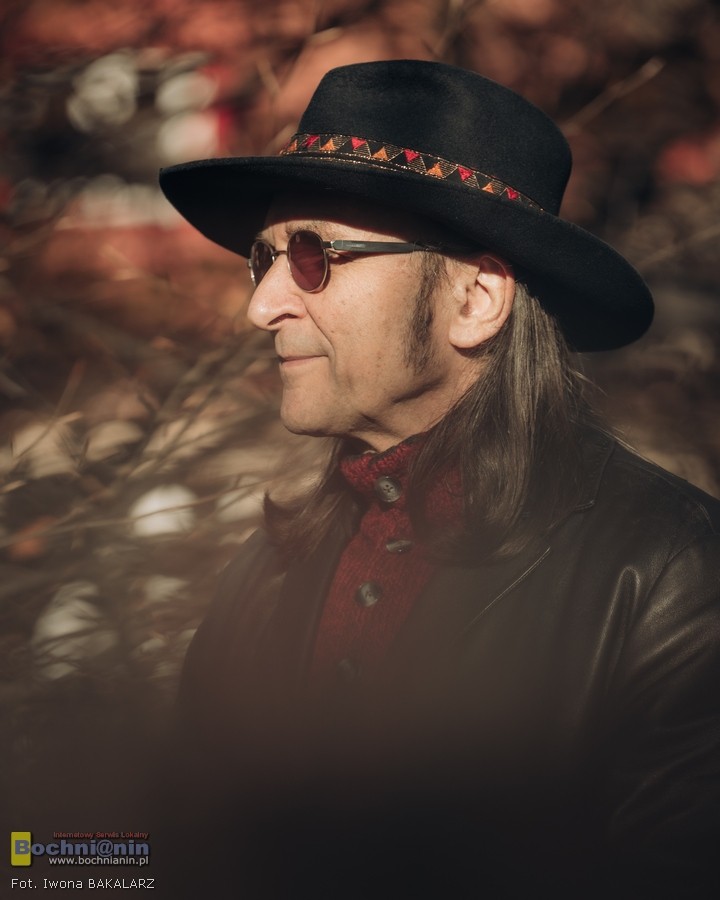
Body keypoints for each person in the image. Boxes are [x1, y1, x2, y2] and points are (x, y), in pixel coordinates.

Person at [159, 60, 719, 898]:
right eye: (263, 258)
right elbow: (174, 844)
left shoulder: (673, 576)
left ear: (477, 299)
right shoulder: (271, 566)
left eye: (313, 256)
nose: (262, 305)